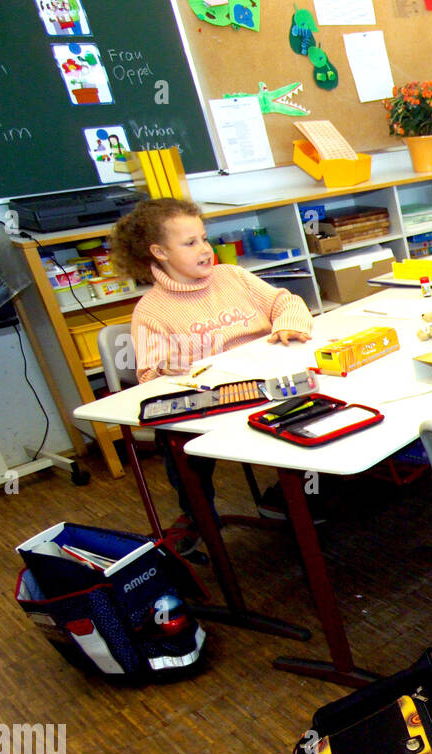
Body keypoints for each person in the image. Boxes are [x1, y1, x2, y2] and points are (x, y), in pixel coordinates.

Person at [111, 198, 313, 535]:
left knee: (314, 409)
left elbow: (285, 301)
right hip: (214, 399)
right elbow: (149, 376)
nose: (205, 249)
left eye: (204, 238)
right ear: (160, 252)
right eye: (190, 243)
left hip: (270, 380)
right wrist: (175, 364)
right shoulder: (151, 311)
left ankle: (307, 496)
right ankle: (198, 515)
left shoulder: (232, 276)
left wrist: (287, 324)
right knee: (175, 442)